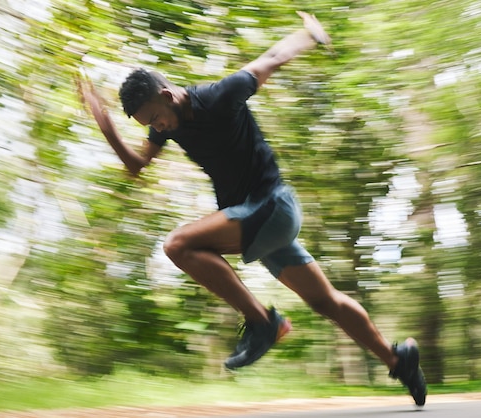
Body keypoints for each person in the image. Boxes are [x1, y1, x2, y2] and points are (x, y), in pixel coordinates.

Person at [77, 11, 426, 406]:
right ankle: (399, 360)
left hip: (272, 206)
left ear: (168, 94)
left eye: (157, 117)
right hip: (258, 222)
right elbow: (137, 167)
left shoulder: (220, 95)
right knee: (326, 301)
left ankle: (263, 322)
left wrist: (310, 34)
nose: (159, 127)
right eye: (150, 124)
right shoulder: (162, 125)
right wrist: (106, 126)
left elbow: (270, 60)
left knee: (178, 246)